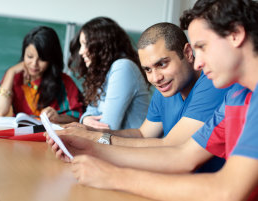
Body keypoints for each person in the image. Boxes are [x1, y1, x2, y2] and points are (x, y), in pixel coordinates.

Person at [50, 0, 258, 200]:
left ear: (235, 35)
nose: (198, 63)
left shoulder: (223, 88)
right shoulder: (236, 95)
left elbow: (226, 191)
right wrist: (92, 147)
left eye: (203, 47)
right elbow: (183, 155)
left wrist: (113, 176)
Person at [59, 22, 228, 172]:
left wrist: (95, 139)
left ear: (188, 53)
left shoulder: (212, 82)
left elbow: (172, 145)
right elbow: (142, 134)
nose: (155, 78)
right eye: (147, 69)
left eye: (162, 64)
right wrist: (92, 131)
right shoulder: (167, 89)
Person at [68, 17, 150, 130]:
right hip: (113, 143)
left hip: (130, 145)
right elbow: (91, 111)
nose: (81, 52)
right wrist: (85, 119)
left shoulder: (123, 67)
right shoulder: (104, 72)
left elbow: (108, 127)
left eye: (85, 44)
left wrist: (86, 122)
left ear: (101, 45)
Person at [0, 26, 83, 124]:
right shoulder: (15, 77)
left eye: (42, 59)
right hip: (19, 135)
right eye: (30, 57)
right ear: (23, 54)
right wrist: (11, 72)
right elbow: (0, 111)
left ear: (51, 58)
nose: (34, 64)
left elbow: (77, 118)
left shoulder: (65, 82)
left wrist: (58, 117)